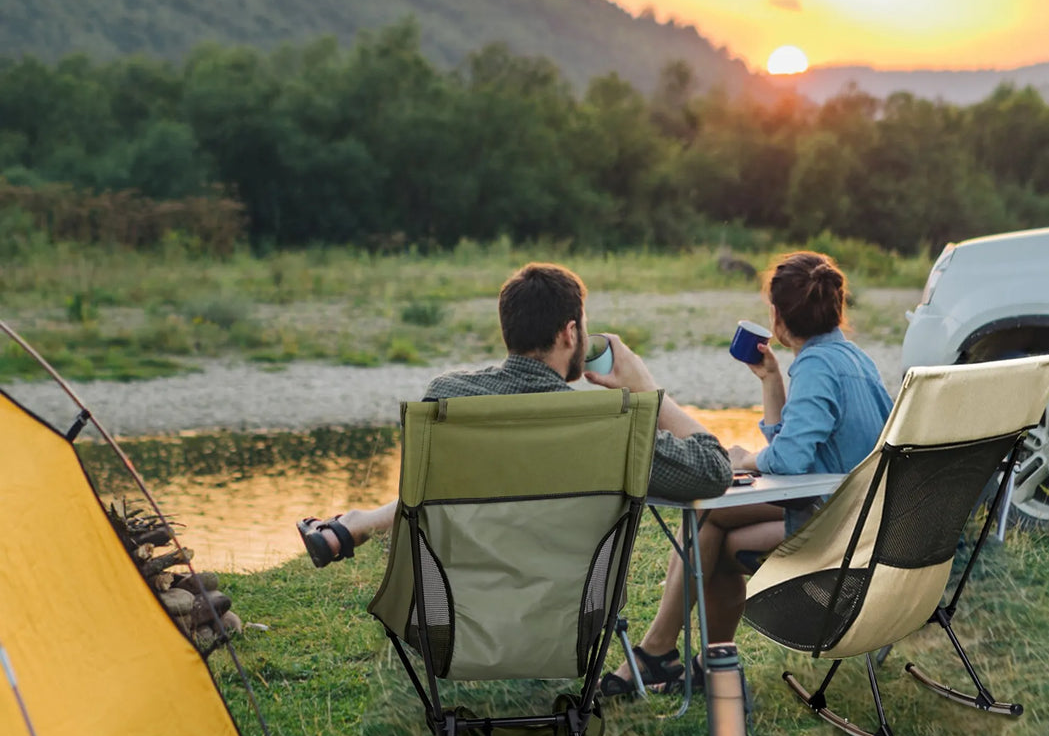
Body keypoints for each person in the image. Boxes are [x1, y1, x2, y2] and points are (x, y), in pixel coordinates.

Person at [297, 262, 732, 572]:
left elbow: (428, 494)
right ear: (569, 333)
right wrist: (648, 391)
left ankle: (360, 522)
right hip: (562, 617)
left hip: (453, 612)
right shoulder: (602, 422)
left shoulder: (446, 398)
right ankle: (360, 522)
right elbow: (714, 469)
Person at [600, 250, 894, 697]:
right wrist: (772, 384)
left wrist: (743, 459)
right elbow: (798, 446)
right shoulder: (853, 360)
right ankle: (705, 663)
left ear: (776, 317)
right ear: (837, 308)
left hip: (838, 529)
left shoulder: (817, 367)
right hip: (858, 518)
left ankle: (658, 652)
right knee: (721, 537)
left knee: (710, 513)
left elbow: (788, 461)